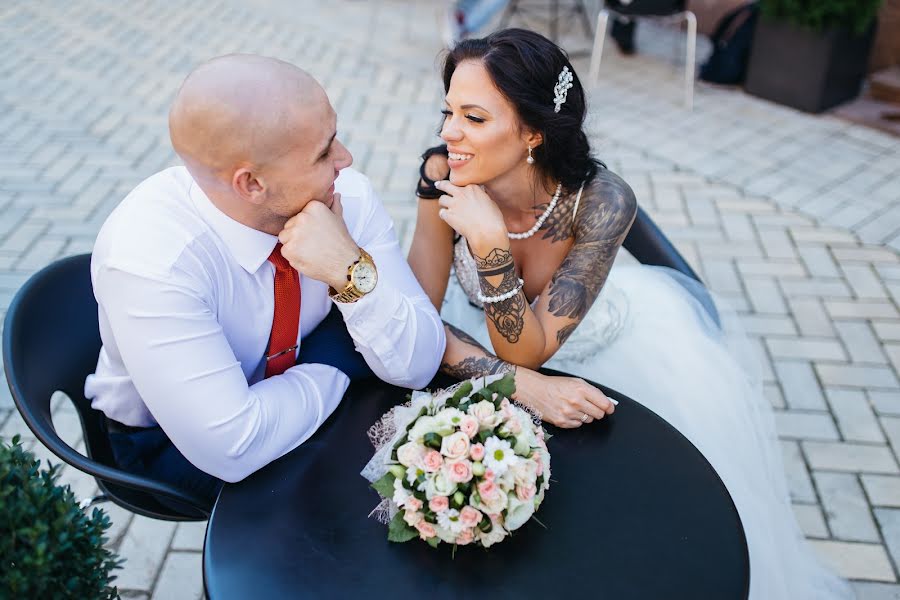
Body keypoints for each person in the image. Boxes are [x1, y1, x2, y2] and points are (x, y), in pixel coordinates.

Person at [407, 28, 850, 599]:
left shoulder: (600, 200)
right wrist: (515, 383)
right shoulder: (443, 175)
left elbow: (530, 349)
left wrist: (491, 248)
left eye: (474, 117)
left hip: (607, 352)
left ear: (534, 132)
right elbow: (420, 316)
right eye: (448, 112)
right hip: (486, 342)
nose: (449, 133)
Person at [84, 54, 446, 511]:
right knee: (347, 503)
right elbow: (233, 448)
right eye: (324, 150)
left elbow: (419, 362)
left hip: (277, 393)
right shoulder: (154, 259)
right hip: (163, 446)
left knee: (403, 466)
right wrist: (336, 360)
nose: (346, 159)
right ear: (251, 183)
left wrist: (349, 270)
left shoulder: (347, 195)